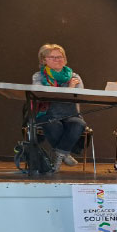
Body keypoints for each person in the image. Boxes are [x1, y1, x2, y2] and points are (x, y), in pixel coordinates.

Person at [32, 44, 86, 172]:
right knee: (53, 124)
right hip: (48, 114)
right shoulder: (39, 76)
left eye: (60, 57)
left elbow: (81, 95)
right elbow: (41, 94)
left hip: (70, 114)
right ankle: (64, 154)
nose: (58, 60)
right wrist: (69, 89)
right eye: (53, 57)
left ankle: (59, 154)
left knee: (79, 124)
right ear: (44, 60)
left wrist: (71, 90)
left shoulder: (74, 76)